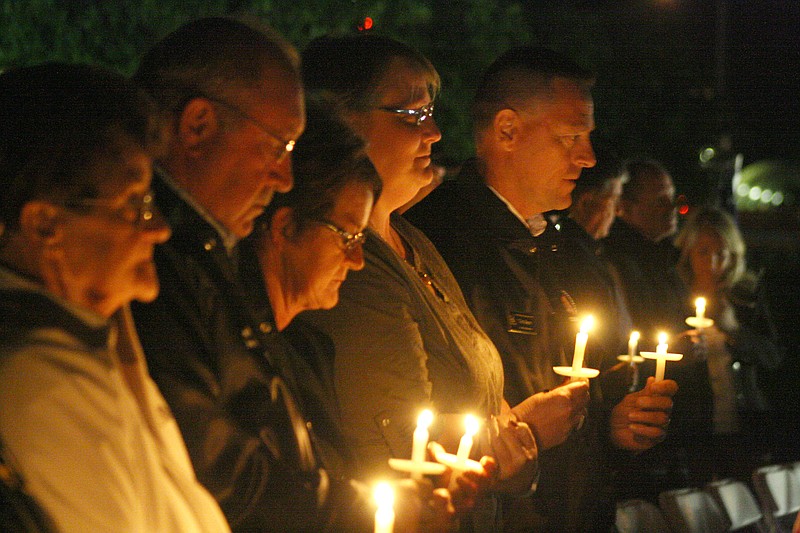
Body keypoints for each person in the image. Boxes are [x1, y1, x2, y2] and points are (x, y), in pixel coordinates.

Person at [130, 18, 461, 531]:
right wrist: (350, 510)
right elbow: (216, 464)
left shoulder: (209, 260)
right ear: (197, 125)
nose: (284, 177)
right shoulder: (159, 270)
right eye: (279, 145)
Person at [406, 46, 677, 532]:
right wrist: (524, 434)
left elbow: (603, 371)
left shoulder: (571, 248)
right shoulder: (435, 242)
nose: (588, 157)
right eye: (571, 137)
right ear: (508, 130)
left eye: (588, 138)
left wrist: (618, 419)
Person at [299, 34, 541, 529]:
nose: (433, 133)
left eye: (431, 113)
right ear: (343, 124)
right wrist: (511, 441)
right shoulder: (351, 264)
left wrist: (515, 429)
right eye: (412, 115)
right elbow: (394, 436)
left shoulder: (411, 241)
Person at [0, 63, 229, 532]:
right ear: (46, 226)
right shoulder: (46, 387)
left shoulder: (88, 343)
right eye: (135, 204)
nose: (160, 229)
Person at [673, 205, 783, 482]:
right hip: (694, 431)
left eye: (721, 253)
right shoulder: (674, 298)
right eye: (703, 252)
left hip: (745, 428)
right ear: (688, 253)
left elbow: (773, 358)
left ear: (733, 256)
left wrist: (735, 328)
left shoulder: (746, 298)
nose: (712, 263)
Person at [553, 148, 633, 386]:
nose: (619, 210)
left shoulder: (594, 254)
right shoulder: (569, 258)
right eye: (614, 199)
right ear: (588, 201)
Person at [603, 158, 689, 344]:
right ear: (624, 207)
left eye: (671, 198)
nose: (672, 208)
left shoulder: (666, 258)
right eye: (660, 200)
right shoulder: (616, 262)